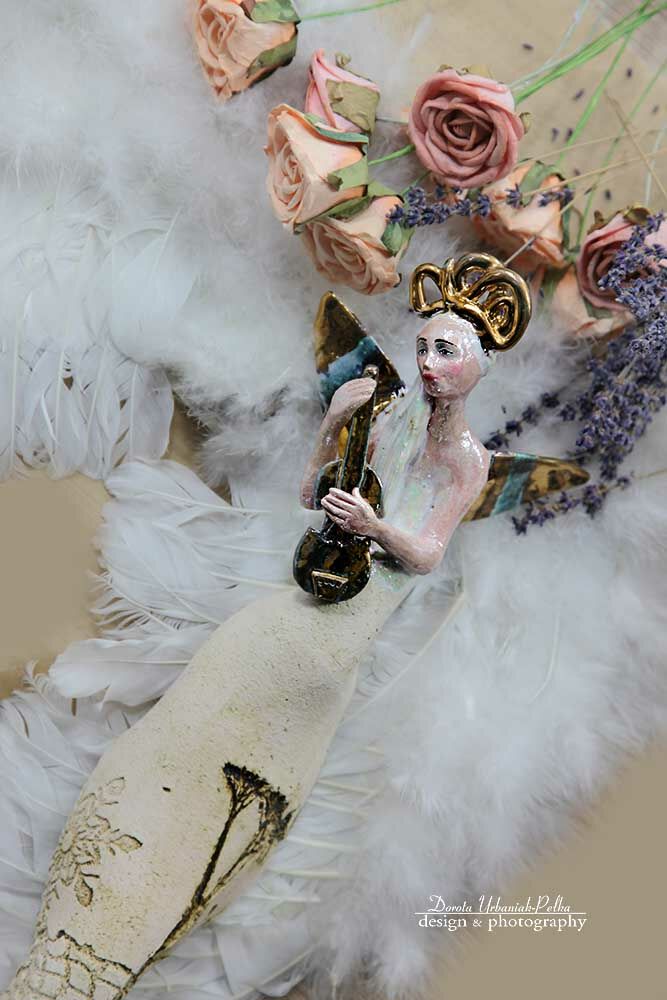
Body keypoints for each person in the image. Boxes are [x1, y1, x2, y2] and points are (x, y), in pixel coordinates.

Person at [2, 254, 530, 1000]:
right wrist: (334, 425)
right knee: (179, 739)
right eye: (423, 346)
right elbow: (314, 492)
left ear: (480, 365)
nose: (428, 363)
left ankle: (111, 958)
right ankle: (72, 949)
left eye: (446, 351)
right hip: (288, 615)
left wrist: (376, 525)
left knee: (246, 806)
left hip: (338, 642)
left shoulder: (466, 462)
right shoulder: (381, 415)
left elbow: (427, 554)